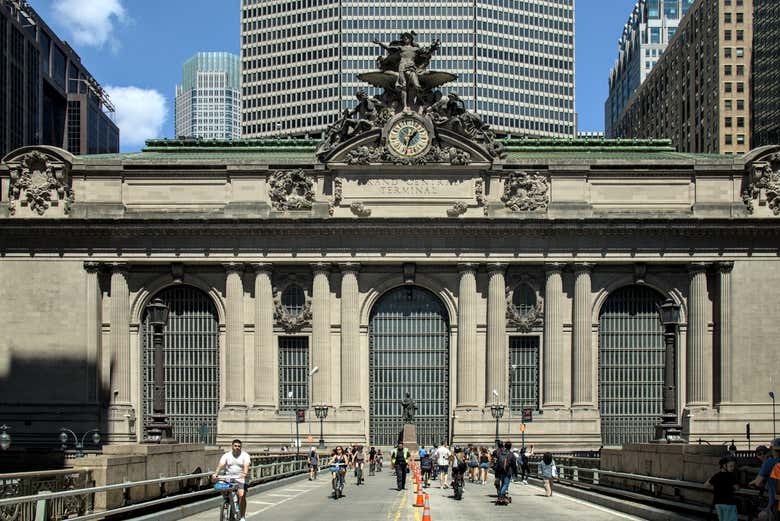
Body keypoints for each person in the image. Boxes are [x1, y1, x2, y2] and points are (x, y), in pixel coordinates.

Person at [212, 439, 251, 521]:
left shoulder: (245, 455)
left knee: (241, 495)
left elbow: (246, 466)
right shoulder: (227, 455)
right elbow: (221, 464)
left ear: (241, 447)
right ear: (232, 446)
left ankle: (242, 516)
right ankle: (226, 501)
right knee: (221, 486)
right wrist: (216, 473)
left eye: (239, 446)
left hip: (241, 477)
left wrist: (244, 473)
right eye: (235, 446)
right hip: (229, 477)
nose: (237, 447)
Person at [750, 441, 780, 520]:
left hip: (775, 499)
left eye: (763, 453)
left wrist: (752, 482)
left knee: (762, 516)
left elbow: (758, 482)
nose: (762, 455)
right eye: (759, 454)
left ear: (771, 450)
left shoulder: (769, 463)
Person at [705, 456, 739, 521]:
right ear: (724, 465)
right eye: (731, 466)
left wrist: (715, 484)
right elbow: (737, 488)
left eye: (733, 466)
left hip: (718, 503)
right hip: (729, 503)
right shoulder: (730, 476)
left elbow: (706, 485)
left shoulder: (716, 476)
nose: (733, 468)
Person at [493, 440, 518, 505]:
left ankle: (502, 496)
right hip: (508, 472)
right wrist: (515, 473)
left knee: (503, 483)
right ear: (510, 447)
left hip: (500, 471)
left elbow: (497, 462)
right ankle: (501, 495)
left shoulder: (500, 453)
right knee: (505, 484)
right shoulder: (511, 455)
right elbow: (514, 465)